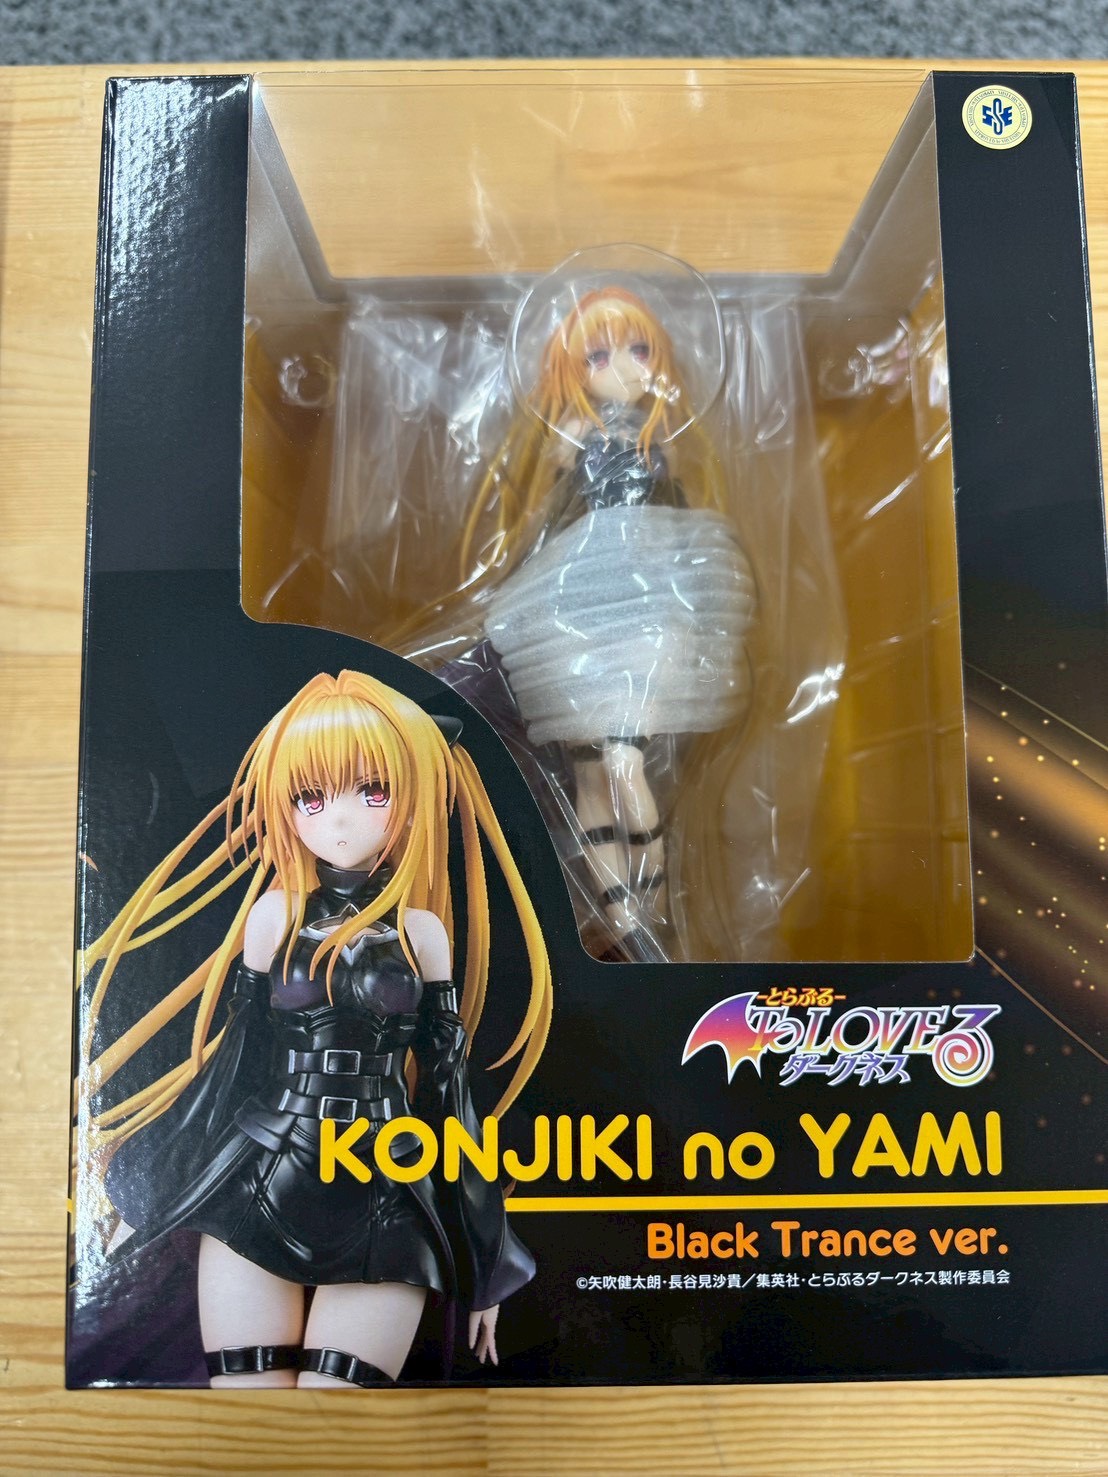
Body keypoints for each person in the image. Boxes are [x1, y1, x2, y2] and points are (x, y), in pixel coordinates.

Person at [75, 670, 553, 1387]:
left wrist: (488, 1260)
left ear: (413, 791)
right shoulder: (274, 916)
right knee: (254, 1417)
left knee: (336, 1419)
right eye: (311, 797)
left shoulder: (423, 933)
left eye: (373, 791)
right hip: (265, 1175)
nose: (340, 821)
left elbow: (450, 1096)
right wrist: (145, 1183)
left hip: (387, 1188)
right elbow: (231, 1064)